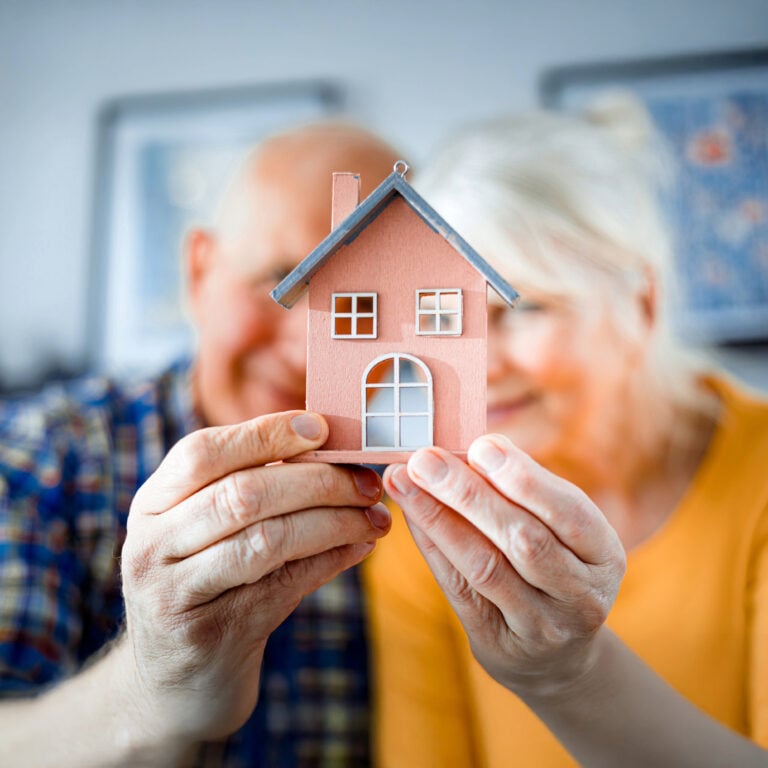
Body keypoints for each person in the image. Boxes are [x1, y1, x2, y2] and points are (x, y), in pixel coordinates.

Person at [363, 95, 768, 766]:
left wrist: (565, 674)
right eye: (443, 317)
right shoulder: (423, 520)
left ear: (641, 304)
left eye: (523, 310)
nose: (476, 363)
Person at [0, 121, 401, 766]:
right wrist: (150, 690)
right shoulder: (42, 458)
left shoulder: (420, 480)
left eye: (363, 306)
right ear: (198, 269)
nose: (307, 349)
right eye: (280, 278)